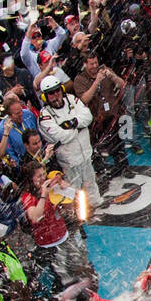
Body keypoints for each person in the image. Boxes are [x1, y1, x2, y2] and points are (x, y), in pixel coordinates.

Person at [37, 76, 100, 205]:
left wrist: (73, 122)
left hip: (85, 153)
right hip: (69, 162)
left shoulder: (72, 100)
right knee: (73, 191)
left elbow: (88, 117)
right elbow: (60, 136)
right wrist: (78, 127)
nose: (56, 95)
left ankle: (96, 205)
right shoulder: (45, 116)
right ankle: (79, 215)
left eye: (57, 91)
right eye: (51, 93)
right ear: (45, 97)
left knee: (91, 183)